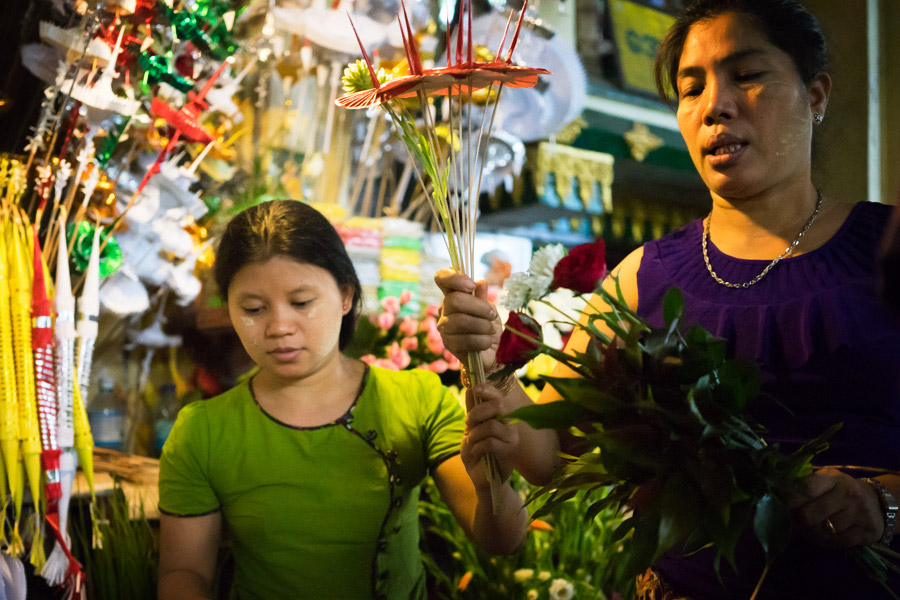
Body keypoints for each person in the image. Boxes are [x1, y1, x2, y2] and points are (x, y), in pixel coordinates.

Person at [435, 1, 900, 598]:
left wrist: (883, 500)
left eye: (747, 75)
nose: (715, 106)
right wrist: (492, 360)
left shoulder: (886, 248)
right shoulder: (642, 278)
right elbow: (552, 452)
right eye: (691, 87)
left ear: (816, 95)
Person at [158, 200, 527, 600]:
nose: (280, 326)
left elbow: (503, 540)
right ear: (228, 307)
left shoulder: (416, 401)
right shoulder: (204, 430)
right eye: (253, 308)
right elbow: (184, 571)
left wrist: (492, 484)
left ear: (346, 295)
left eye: (302, 302)